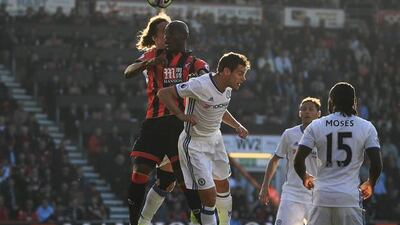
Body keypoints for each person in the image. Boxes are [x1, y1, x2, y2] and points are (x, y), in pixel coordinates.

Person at [124, 15, 209, 225]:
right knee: (139, 172)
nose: (167, 37)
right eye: (165, 33)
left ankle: (203, 219)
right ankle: (135, 222)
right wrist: (151, 62)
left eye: (171, 33)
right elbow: (128, 72)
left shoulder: (192, 61)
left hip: (178, 126)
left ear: (184, 37)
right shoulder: (152, 55)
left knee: (179, 180)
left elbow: (208, 78)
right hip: (153, 124)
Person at [158, 52, 250, 225]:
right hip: (194, 144)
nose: (243, 78)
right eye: (240, 73)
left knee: (224, 187)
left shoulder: (227, 88)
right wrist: (181, 115)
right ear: (226, 71)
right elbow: (163, 94)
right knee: (209, 197)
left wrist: (237, 125)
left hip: (216, 140)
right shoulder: (200, 85)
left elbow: (220, 109)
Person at [294, 82, 383, 225]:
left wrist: (304, 176)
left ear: (331, 100)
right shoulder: (366, 127)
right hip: (349, 199)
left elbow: (298, 160)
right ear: (353, 102)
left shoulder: (316, 125)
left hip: (322, 197)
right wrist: (370, 182)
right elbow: (377, 163)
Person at [258, 97, 321, 225]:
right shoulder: (289, 134)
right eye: (304, 109)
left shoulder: (324, 136)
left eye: (310, 109)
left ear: (318, 114)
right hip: (292, 194)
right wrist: (265, 187)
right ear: (299, 113)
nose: (307, 112)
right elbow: (274, 160)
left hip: (317, 195)